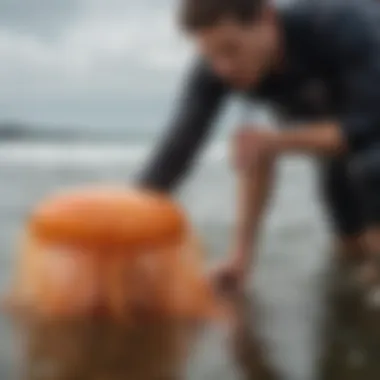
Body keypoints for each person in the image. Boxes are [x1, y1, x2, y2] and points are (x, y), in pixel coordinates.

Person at [137, 0, 380, 291]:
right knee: (348, 234)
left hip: (370, 113)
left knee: (371, 167)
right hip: (336, 126)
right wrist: (125, 215)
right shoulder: (217, 68)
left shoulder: (344, 28)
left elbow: (367, 125)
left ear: (267, 18)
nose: (223, 68)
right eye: (211, 55)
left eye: (232, 49)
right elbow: (178, 150)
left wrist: (275, 141)